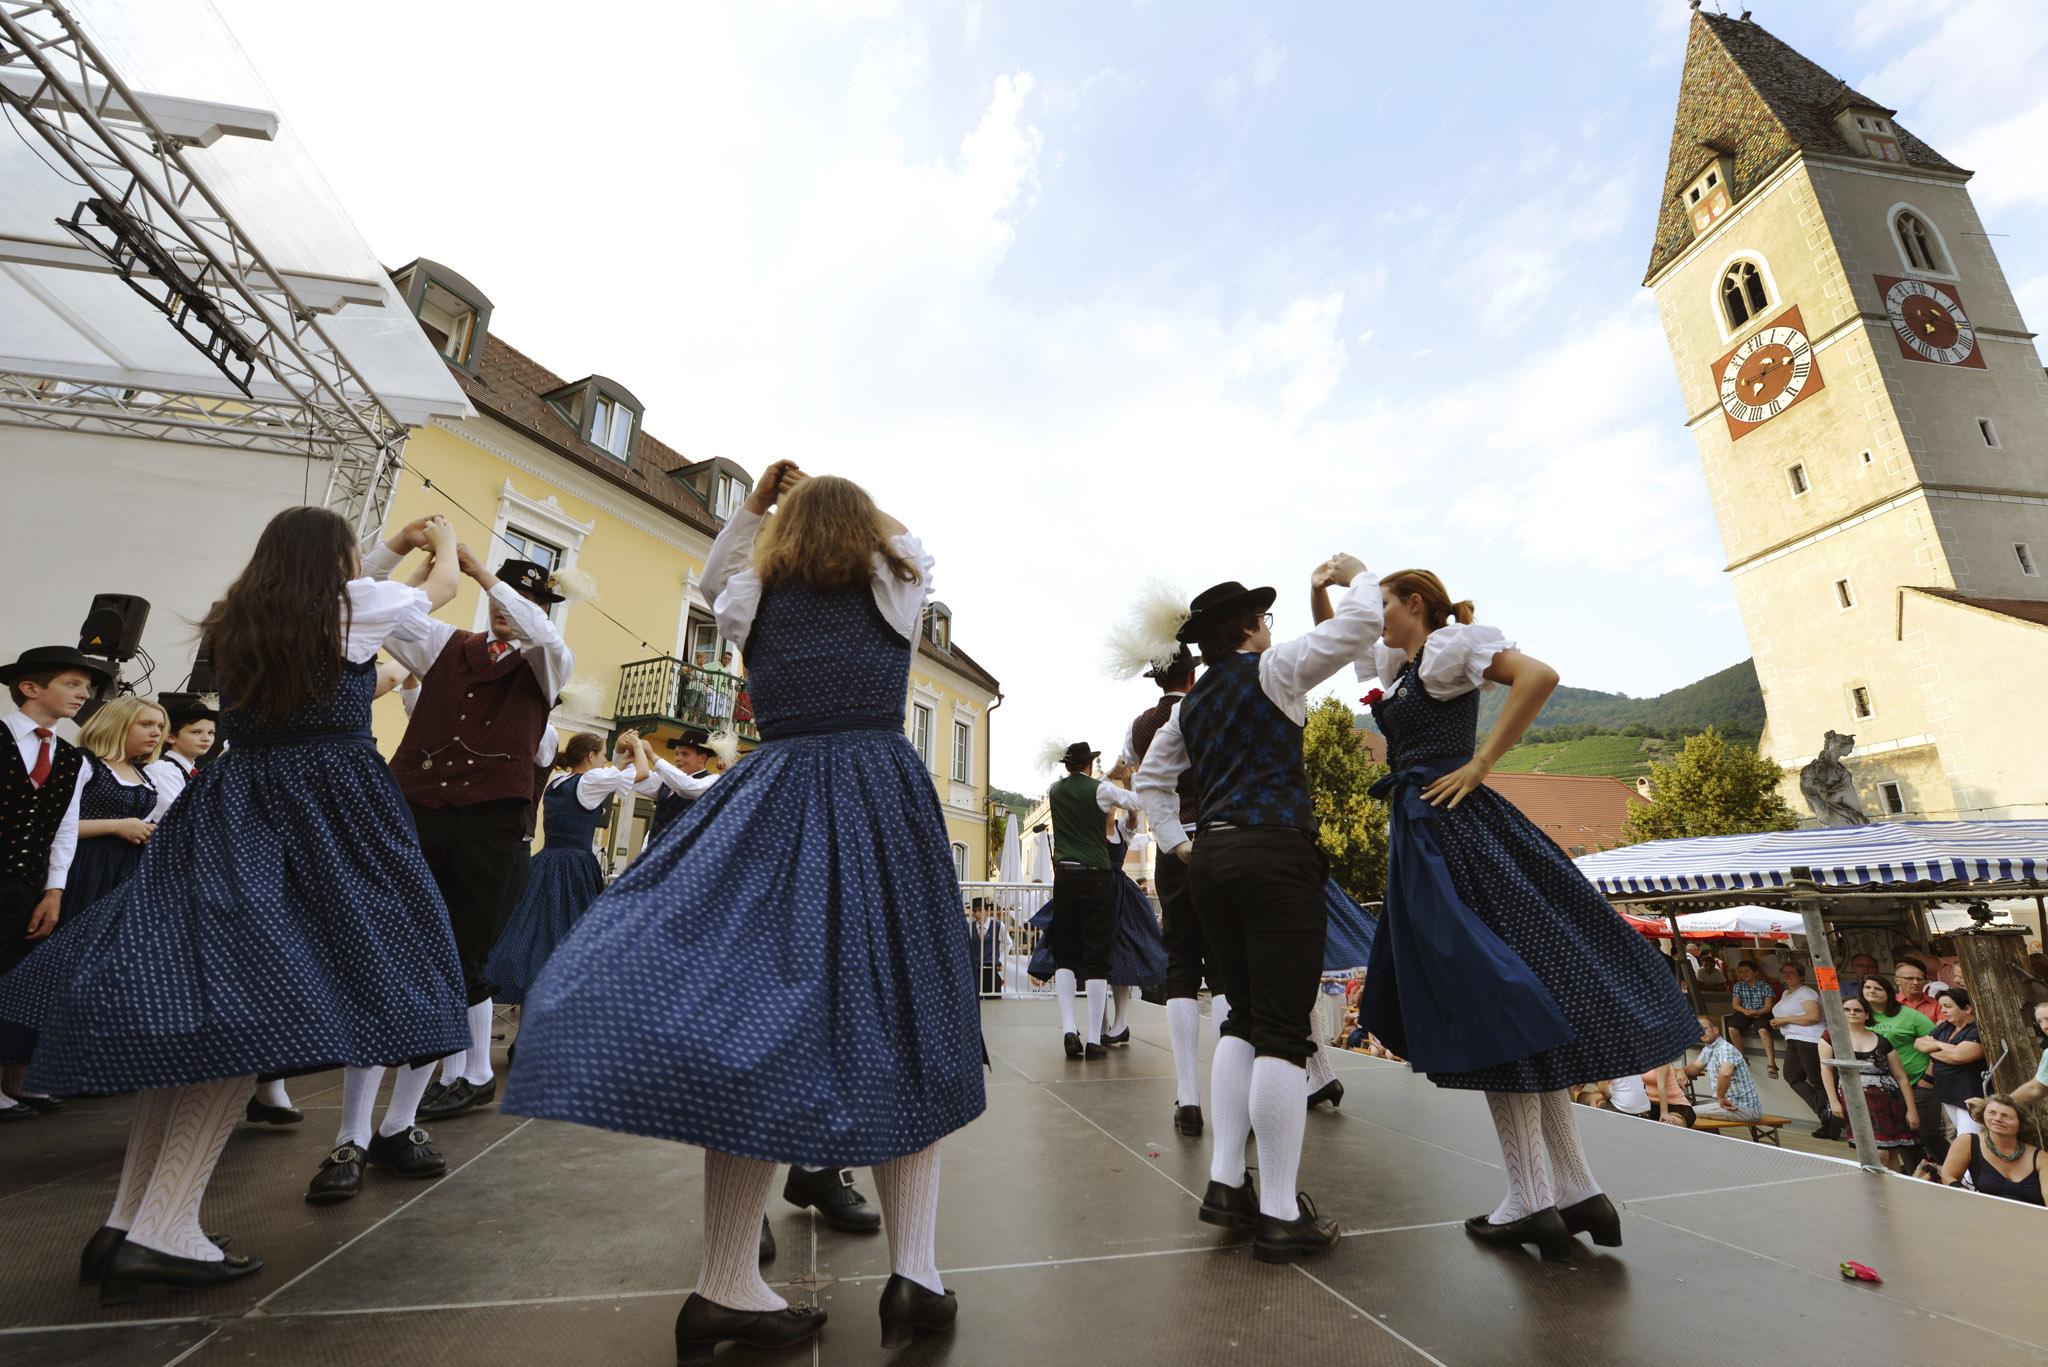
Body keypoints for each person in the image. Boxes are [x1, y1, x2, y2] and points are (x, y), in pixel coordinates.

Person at [504, 464, 984, 1361]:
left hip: (779, 797)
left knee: (752, 1024)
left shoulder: (753, 596)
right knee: (908, 1023)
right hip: (881, 799)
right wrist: (850, 501)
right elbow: (914, 545)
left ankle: (725, 1277)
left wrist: (762, 506)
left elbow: (720, 572)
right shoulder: (893, 584)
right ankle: (916, 1273)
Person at [0, 507, 471, 1300]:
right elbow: (446, 586)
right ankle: (163, 1227)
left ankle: (132, 1222)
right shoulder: (351, 611)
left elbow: (362, 589)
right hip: (318, 817)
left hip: (228, 810)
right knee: (244, 1019)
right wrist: (443, 541)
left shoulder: (242, 618)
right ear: (338, 562)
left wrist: (388, 546)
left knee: (211, 1013)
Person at [1348, 569, 1697, 1262]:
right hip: (1435, 836)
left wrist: (1481, 763)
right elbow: (1355, 624)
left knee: (1494, 1007)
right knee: (1519, 1010)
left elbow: (1539, 674)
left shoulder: (1448, 650)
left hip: (1458, 834)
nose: (1372, 619)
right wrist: (1336, 579)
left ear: (1415, 604)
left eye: (1384, 604)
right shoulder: (1405, 664)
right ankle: (1574, 1187)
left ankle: (1530, 1197)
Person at [1134, 554, 1387, 1265]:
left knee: (1243, 1016)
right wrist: (1359, 572)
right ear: (1249, 629)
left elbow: (1153, 781)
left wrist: (1179, 843)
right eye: (1265, 618)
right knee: (1280, 1026)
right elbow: (1362, 624)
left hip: (1212, 861)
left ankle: (1225, 1183)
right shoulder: (1275, 671)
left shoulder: (1190, 705)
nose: (1271, 628)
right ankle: (1278, 1210)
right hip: (1276, 855)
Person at [320, 529, 572, 1154]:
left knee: (458, 959)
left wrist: (484, 572)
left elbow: (537, 632)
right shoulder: (445, 644)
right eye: (501, 596)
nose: (503, 605)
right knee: (388, 948)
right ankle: (354, 1132)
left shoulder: (547, 661)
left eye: (517, 596)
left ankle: (408, 1116)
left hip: (490, 825)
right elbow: (372, 609)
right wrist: (407, 549)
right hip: (416, 804)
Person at [0, 645, 109, 1120]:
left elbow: (64, 829)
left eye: (86, 686)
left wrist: (54, 890)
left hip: (24, 888)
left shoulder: (72, 759)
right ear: (30, 688)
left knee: (10, 982)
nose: (83, 694)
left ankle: (9, 1084)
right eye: (72, 683)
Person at [1118, 644, 1214, 1135]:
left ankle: (1189, 1097)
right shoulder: (1211, 704)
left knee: (1181, 964)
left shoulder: (1140, 724)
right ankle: (1235, 1091)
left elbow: (1136, 777)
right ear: (1192, 674)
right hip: (1219, 840)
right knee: (1225, 967)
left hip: (1173, 846)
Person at [481, 731, 646, 1007]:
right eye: (603, 754)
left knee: (535, 936)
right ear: (591, 756)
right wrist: (640, 748)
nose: (605, 760)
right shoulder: (591, 780)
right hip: (574, 868)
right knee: (569, 939)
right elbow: (640, 773)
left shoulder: (559, 781)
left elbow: (607, 777)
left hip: (546, 862)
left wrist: (618, 755)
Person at [1043, 741, 1146, 1060]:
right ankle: (1092, 1039)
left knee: (1065, 955)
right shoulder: (1100, 791)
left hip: (1065, 876)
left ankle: (1068, 1029)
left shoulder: (1055, 790)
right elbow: (1136, 800)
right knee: (1096, 956)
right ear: (1088, 765)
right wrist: (1126, 775)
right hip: (1096, 877)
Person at [1820, 997, 1920, 1169]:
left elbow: (1901, 1076)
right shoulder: (1830, 1037)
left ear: (1867, 1014)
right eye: (1846, 1009)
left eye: (1857, 1010)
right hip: (1856, 1100)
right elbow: (1826, 1069)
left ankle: (1894, 1193)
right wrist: (1833, 1101)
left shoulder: (1882, 1040)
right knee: (1878, 1154)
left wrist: (1911, 1110)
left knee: (1893, 1154)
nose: (1852, 1013)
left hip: (1889, 1101)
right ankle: (1875, 1191)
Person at [1921, 1094, 2045, 1206]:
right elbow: (1948, 1176)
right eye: (1992, 1112)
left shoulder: (2041, 1158)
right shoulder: (1968, 1142)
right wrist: (1966, 1195)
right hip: (1984, 1216)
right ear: (1983, 1115)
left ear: (2021, 1124)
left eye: (2006, 1116)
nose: (1997, 1119)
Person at [1769, 962, 1834, 1137]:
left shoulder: (1806, 992)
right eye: (1784, 972)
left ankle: (1830, 1122)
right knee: (1792, 1076)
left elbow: (1813, 1016)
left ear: (1801, 976)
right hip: (1794, 1040)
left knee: (1818, 1080)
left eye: (1792, 972)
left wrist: (1784, 1020)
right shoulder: (1786, 993)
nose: (1787, 975)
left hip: (1810, 1039)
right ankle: (1826, 1113)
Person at [1914, 988, 1986, 1140]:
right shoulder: (1946, 1026)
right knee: (1961, 1138)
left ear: (1967, 1008)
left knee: (1968, 1140)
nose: (1943, 1011)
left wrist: (1935, 1047)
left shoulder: (1977, 1029)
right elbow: (1919, 1043)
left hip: (1969, 1096)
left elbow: (1960, 1056)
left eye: (1948, 1006)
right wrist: (1947, 1049)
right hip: (1947, 1093)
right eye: (1941, 1007)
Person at [640, 729, 724, 847]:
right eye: (677, 754)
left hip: (685, 855)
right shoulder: (668, 781)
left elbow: (686, 786)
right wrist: (625, 753)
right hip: (657, 853)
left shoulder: (713, 780)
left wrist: (651, 755)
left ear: (702, 758)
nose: (678, 759)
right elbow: (638, 778)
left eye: (685, 754)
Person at [144, 700, 216, 822]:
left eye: (211, 733)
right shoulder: (163, 770)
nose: (206, 738)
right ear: (170, 737)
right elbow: (178, 817)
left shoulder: (192, 772)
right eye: (196, 732)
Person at [1688, 1017, 1762, 1123]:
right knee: (1689, 1107)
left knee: (1687, 1113)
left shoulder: (1726, 1049)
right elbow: (1695, 1067)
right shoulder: (1709, 1048)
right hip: (1729, 1104)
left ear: (1716, 1030)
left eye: (1704, 1029)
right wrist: (1681, 1072)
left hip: (1742, 1108)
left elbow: (1726, 1073)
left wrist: (1721, 1097)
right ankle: (1712, 1138)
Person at [1723, 959, 1778, 1078]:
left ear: (1755, 973)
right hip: (1745, 1012)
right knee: (1732, 1029)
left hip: (1762, 1012)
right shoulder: (1738, 986)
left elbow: (1769, 1006)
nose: (1744, 974)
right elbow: (1735, 1004)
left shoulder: (1765, 986)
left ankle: (1771, 1063)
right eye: (1741, 971)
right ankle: (1742, 1057)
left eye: (1747, 971)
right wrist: (1745, 1011)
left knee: (1763, 1030)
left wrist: (1758, 1012)